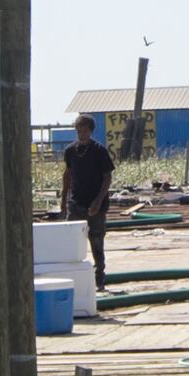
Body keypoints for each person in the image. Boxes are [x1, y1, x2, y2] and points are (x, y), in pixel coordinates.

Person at [62, 114, 117, 293]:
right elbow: (67, 175)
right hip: (76, 202)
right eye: (78, 130)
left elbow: (107, 177)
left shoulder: (99, 150)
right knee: (71, 241)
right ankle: (73, 279)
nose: (81, 133)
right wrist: (63, 201)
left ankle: (99, 279)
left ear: (91, 131)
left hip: (95, 204)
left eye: (84, 130)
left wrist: (98, 201)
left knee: (96, 242)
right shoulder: (70, 151)